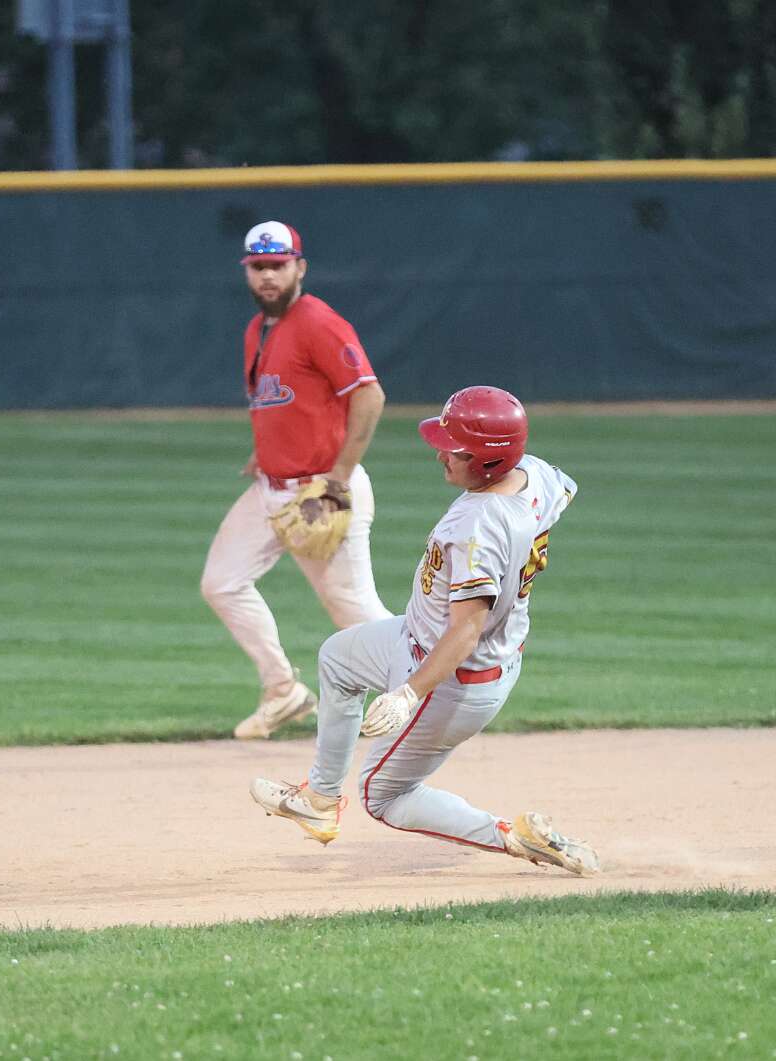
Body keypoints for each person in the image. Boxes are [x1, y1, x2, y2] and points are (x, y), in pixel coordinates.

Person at [249, 386, 600, 875]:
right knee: (338, 659)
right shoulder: (534, 474)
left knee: (383, 797)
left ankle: (513, 836)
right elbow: (564, 490)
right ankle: (319, 800)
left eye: (455, 449)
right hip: (417, 640)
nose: (441, 454)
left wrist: (408, 694)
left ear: (488, 461)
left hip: (451, 678)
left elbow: (467, 630)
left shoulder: (479, 528)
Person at [204, 220, 392, 740]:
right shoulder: (258, 330)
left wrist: (339, 477)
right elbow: (286, 402)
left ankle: (426, 692)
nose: (268, 276)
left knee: (353, 610)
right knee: (222, 583)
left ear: (299, 268)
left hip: (321, 491)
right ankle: (282, 690)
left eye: (278, 265)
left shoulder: (318, 323)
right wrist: (266, 449)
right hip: (272, 488)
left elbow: (369, 395)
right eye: (259, 267)